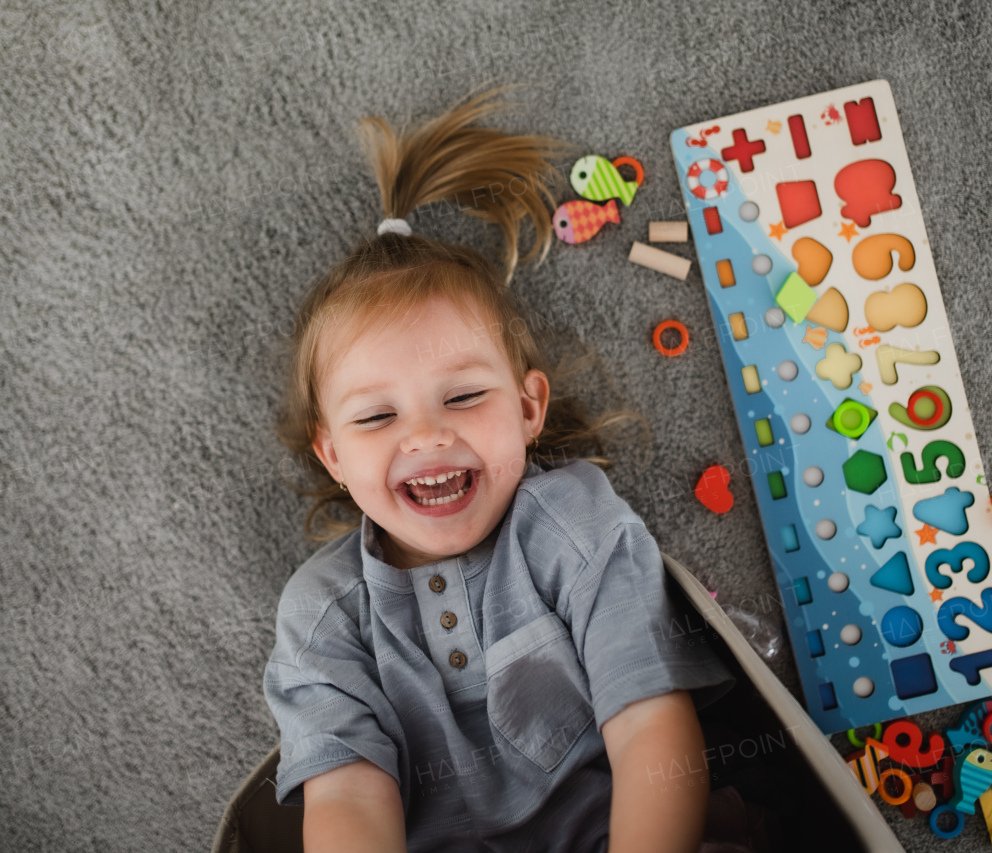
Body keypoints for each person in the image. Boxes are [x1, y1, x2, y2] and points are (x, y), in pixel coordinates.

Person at [262, 86, 750, 853]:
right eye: (376, 416)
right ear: (333, 453)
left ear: (528, 407)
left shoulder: (572, 525)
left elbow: (650, 721)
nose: (426, 435)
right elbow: (349, 794)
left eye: (462, 396)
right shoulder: (323, 611)